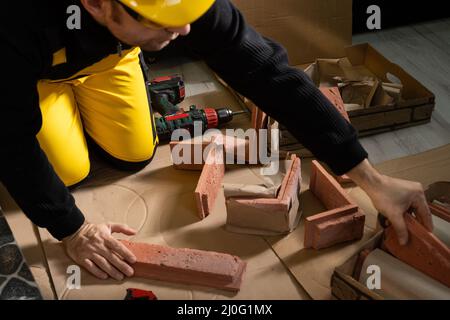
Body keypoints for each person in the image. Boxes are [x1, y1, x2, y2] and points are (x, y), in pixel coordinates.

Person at [0, 0, 433, 281]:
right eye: (165, 23)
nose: (187, 31)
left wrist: (371, 178)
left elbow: (269, 74)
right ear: (96, 4)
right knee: (69, 172)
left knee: (133, 155)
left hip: (111, 52)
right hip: (37, 70)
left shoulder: (179, 11)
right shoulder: (17, 20)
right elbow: (11, 136)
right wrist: (73, 230)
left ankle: (121, 56)